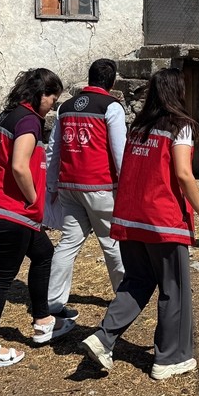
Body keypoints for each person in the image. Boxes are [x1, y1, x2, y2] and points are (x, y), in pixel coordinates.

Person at [81, 68, 199, 380]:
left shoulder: (138, 127)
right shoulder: (180, 126)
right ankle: (169, 359)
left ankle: (103, 338)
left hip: (131, 217)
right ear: (178, 92)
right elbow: (183, 173)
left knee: (137, 282)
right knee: (174, 289)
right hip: (163, 219)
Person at [0, 68, 73, 369]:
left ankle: (43, 321)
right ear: (42, 95)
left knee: (43, 253)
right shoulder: (28, 121)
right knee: (1, 279)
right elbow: (19, 166)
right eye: (52, 100)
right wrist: (32, 199)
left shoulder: (8, 116)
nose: (53, 107)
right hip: (9, 211)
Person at [44, 58, 128, 319]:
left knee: (67, 244)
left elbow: (53, 149)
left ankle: (53, 303)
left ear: (89, 78)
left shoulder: (65, 108)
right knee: (113, 244)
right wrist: (127, 186)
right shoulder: (111, 106)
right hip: (100, 186)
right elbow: (119, 150)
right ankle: (124, 298)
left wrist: (51, 186)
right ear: (112, 82)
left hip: (69, 186)